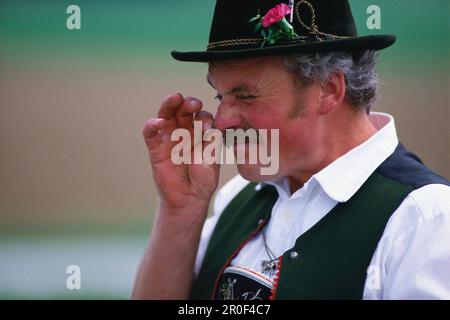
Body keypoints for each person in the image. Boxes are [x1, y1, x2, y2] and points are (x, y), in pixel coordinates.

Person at [132, 0, 450, 300]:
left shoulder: (425, 219)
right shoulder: (239, 195)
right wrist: (181, 212)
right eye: (219, 97)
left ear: (328, 89)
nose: (222, 122)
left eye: (245, 96)